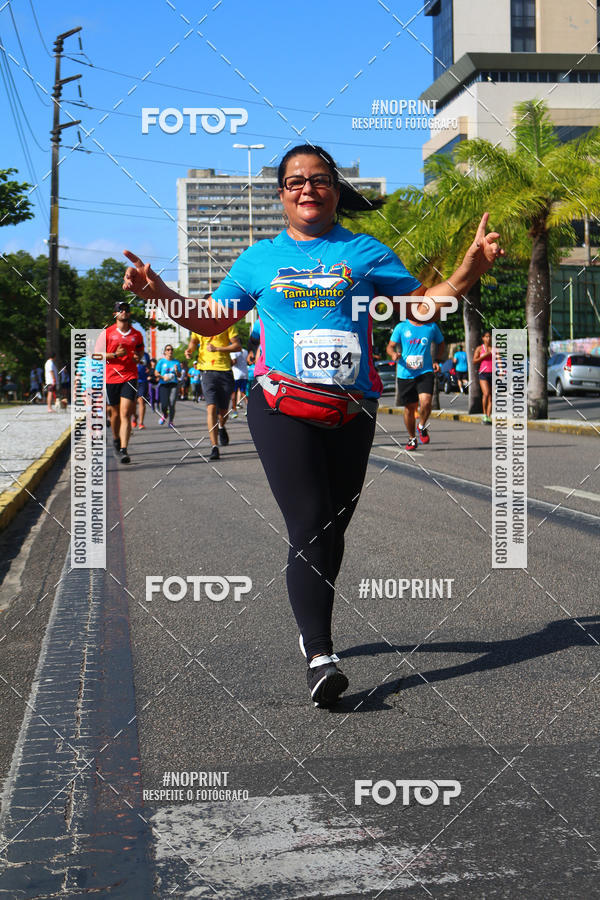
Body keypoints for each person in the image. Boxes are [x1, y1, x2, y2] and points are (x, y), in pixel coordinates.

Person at [122, 143, 503, 707]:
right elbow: (210, 320)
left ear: (335, 191)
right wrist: (162, 297)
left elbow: (420, 307)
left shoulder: (366, 252)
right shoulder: (259, 258)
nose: (307, 187)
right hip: (280, 406)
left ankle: (310, 621)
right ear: (281, 195)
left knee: (332, 529)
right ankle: (321, 654)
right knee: (310, 522)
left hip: (353, 410)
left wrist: (469, 270)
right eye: (294, 180)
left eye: (319, 179)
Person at [386, 310, 445, 450]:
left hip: (425, 371)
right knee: (409, 408)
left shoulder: (431, 326)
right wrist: (393, 354)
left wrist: (437, 360)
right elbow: (390, 346)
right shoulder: (401, 327)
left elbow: (441, 343)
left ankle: (421, 425)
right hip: (405, 373)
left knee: (426, 402)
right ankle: (412, 438)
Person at [185, 325, 241, 461]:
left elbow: (237, 346)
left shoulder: (227, 323)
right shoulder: (198, 323)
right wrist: (189, 351)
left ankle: (221, 426)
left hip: (225, 371)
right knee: (211, 408)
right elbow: (193, 342)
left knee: (223, 412)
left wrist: (218, 349)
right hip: (206, 371)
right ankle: (214, 447)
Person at [101, 300, 144, 463]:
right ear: (115, 314)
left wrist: (137, 357)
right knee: (115, 414)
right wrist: (115, 355)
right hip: (111, 377)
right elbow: (96, 355)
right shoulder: (107, 333)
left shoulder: (136, 334)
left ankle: (124, 449)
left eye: (126, 309)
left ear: (129, 313)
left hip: (130, 376)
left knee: (126, 413)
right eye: (121, 309)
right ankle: (116, 439)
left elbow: (140, 351)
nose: (124, 312)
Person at [155, 345, 181, 427]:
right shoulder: (161, 362)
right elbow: (156, 373)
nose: (170, 351)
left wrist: (177, 371)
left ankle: (171, 421)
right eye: (168, 349)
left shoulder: (176, 362)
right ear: (165, 352)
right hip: (164, 384)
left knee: (172, 403)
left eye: (171, 349)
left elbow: (179, 375)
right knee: (164, 404)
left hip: (174, 384)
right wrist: (163, 377)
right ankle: (165, 414)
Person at [474, 330, 493, 423]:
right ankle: (484, 414)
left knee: (491, 396)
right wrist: (484, 356)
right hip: (483, 373)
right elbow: (474, 361)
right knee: (486, 393)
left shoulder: (494, 349)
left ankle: (489, 416)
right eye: (486, 336)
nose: (488, 339)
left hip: (493, 373)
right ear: (483, 338)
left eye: (489, 336)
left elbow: (499, 360)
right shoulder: (479, 349)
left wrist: (502, 370)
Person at [229, 347, 248, 418]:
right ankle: (248, 409)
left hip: (236, 375)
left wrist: (227, 365)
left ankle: (234, 412)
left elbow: (234, 361)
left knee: (234, 393)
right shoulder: (245, 351)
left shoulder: (233, 351)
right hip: (245, 374)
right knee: (243, 392)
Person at [134, 350, 150, 429]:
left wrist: (148, 370)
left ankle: (141, 423)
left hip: (142, 381)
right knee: (132, 403)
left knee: (141, 400)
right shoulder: (130, 353)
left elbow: (149, 365)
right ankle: (135, 416)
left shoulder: (146, 355)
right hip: (132, 380)